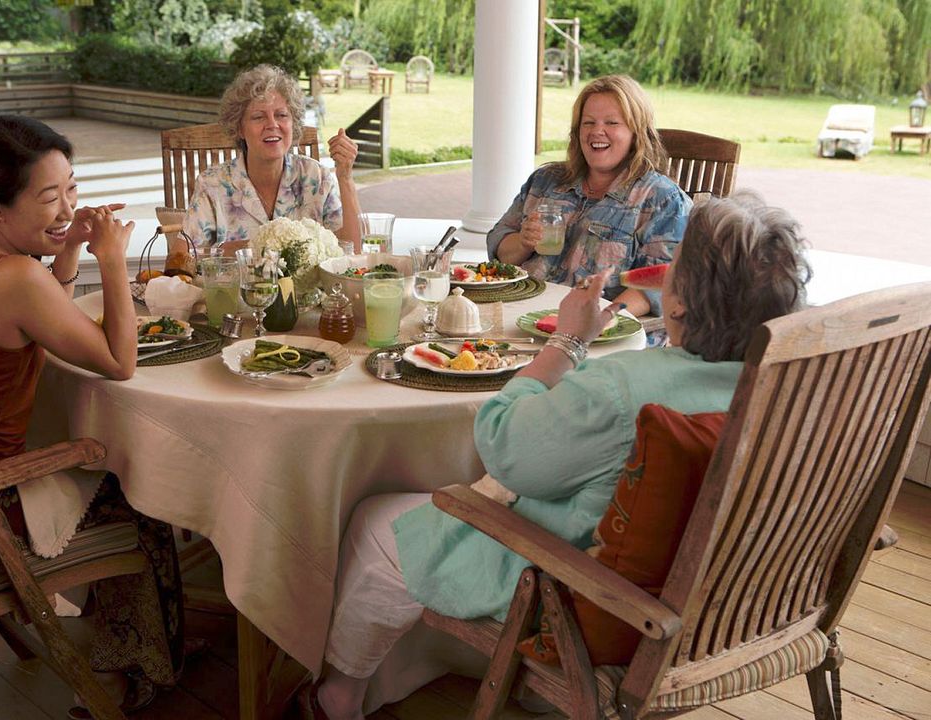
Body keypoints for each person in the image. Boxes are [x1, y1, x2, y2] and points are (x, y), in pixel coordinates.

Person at [303, 192, 811, 720]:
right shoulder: (786, 388)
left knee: (375, 520)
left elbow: (503, 448)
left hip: (591, 602)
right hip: (731, 603)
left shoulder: (622, 391)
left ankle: (338, 695)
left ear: (678, 303)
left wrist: (566, 343)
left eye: (675, 265)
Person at [0, 114, 182, 717]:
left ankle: (104, 641)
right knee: (143, 491)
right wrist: (109, 258)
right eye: (48, 197)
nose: (67, 208)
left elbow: (38, 310)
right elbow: (120, 363)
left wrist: (63, 251)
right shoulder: (12, 276)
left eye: (72, 189)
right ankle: (122, 673)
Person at [487, 74, 691, 317]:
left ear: (636, 133)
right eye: (588, 122)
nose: (597, 132)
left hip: (600, 334)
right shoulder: (545, 181)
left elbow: (657, 286)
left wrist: (597, 323)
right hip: (522, 317)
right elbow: (499, 246)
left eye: (612, 123)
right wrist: (523, 241)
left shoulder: (662, 199)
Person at [182, 64, 362, 253]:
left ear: (293, 123)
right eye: (258, 117)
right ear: (239, 128)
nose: (272, 124)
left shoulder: (317, 177)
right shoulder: (212, 184)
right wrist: (254, 248)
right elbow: (183, 254)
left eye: (281, 115)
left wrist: (345, 177)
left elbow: (353, 252)